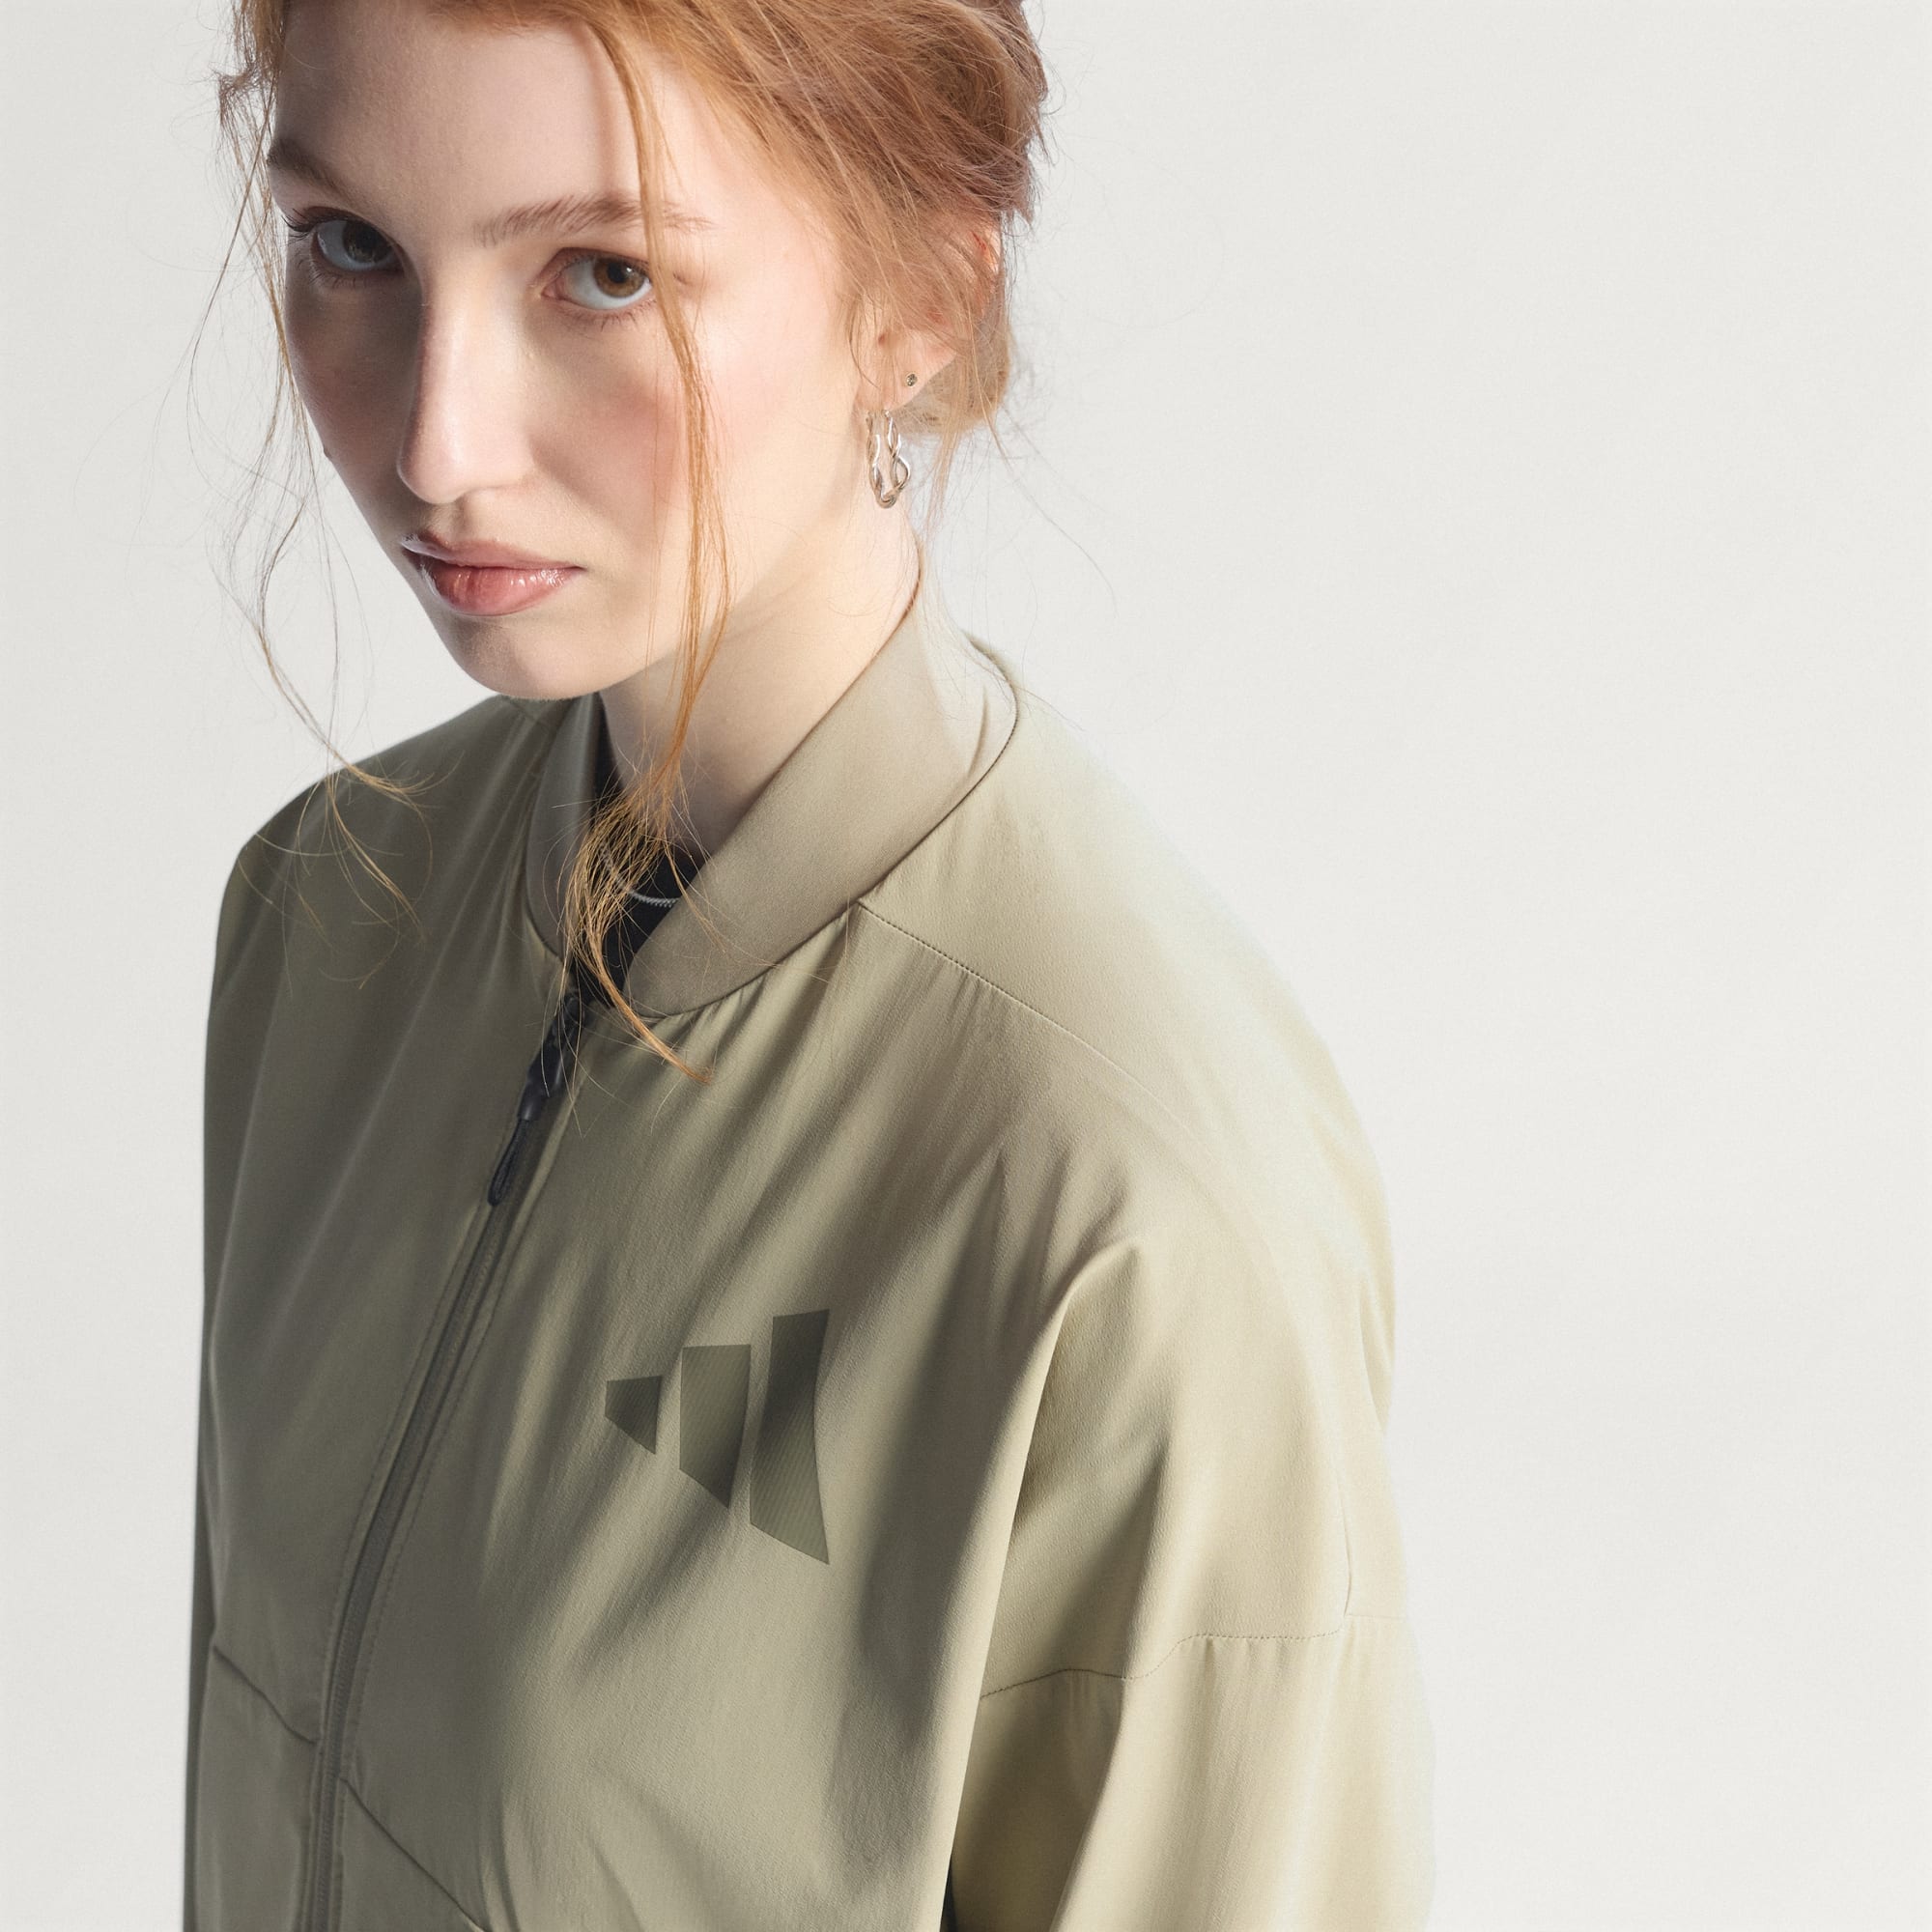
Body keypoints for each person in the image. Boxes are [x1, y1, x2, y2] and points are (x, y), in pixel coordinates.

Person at [183, 0, 1435, 1925]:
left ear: (922, 290)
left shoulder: (1129, 1208)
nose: (436, 441)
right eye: (352, 244)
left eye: (602, 275)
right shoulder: (329, 913)